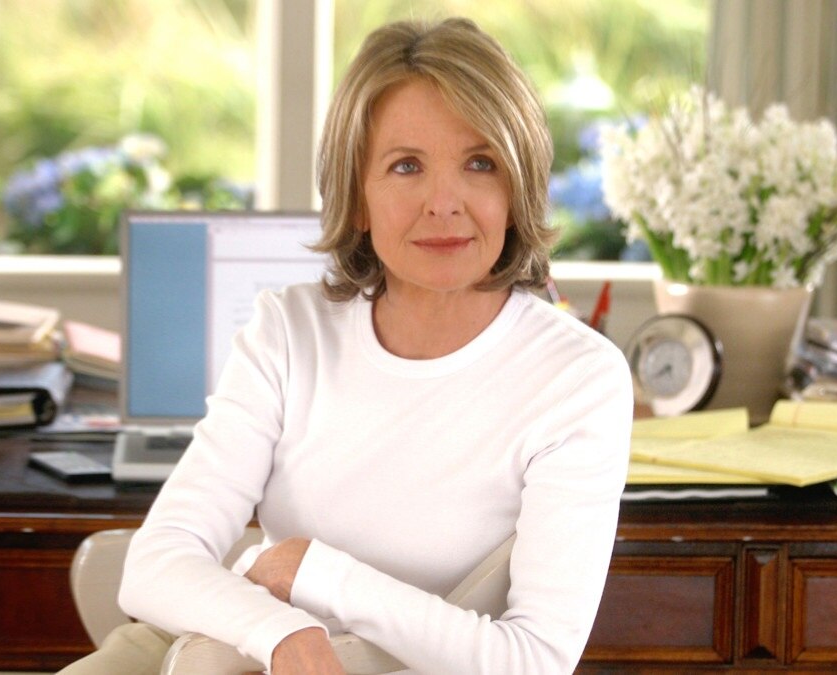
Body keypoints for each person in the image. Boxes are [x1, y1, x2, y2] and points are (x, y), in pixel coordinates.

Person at [61, 16, 632, 675]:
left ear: (517, 187)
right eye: (405, 165)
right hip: (241, 646)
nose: (444, 202)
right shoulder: (288, 331)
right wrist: (282, 634)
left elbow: (534, 660)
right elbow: (156, 565)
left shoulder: (578, 377)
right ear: (358, 197)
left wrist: (321, 573)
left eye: (480, 163)